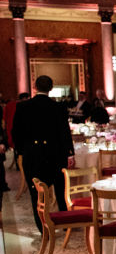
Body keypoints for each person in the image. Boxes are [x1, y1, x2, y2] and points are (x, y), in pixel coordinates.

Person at [14, 76, 75, 233]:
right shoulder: (58, 107)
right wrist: (70, 153)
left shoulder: (22, 106)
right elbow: (65, 133)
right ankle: (65, 225)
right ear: (51, 88)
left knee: (36, 195)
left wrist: (22, 151)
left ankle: (43, 229)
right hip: (55, 155)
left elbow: (16, 133)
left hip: (32, 155)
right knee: (60, 192)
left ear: (34, 87)